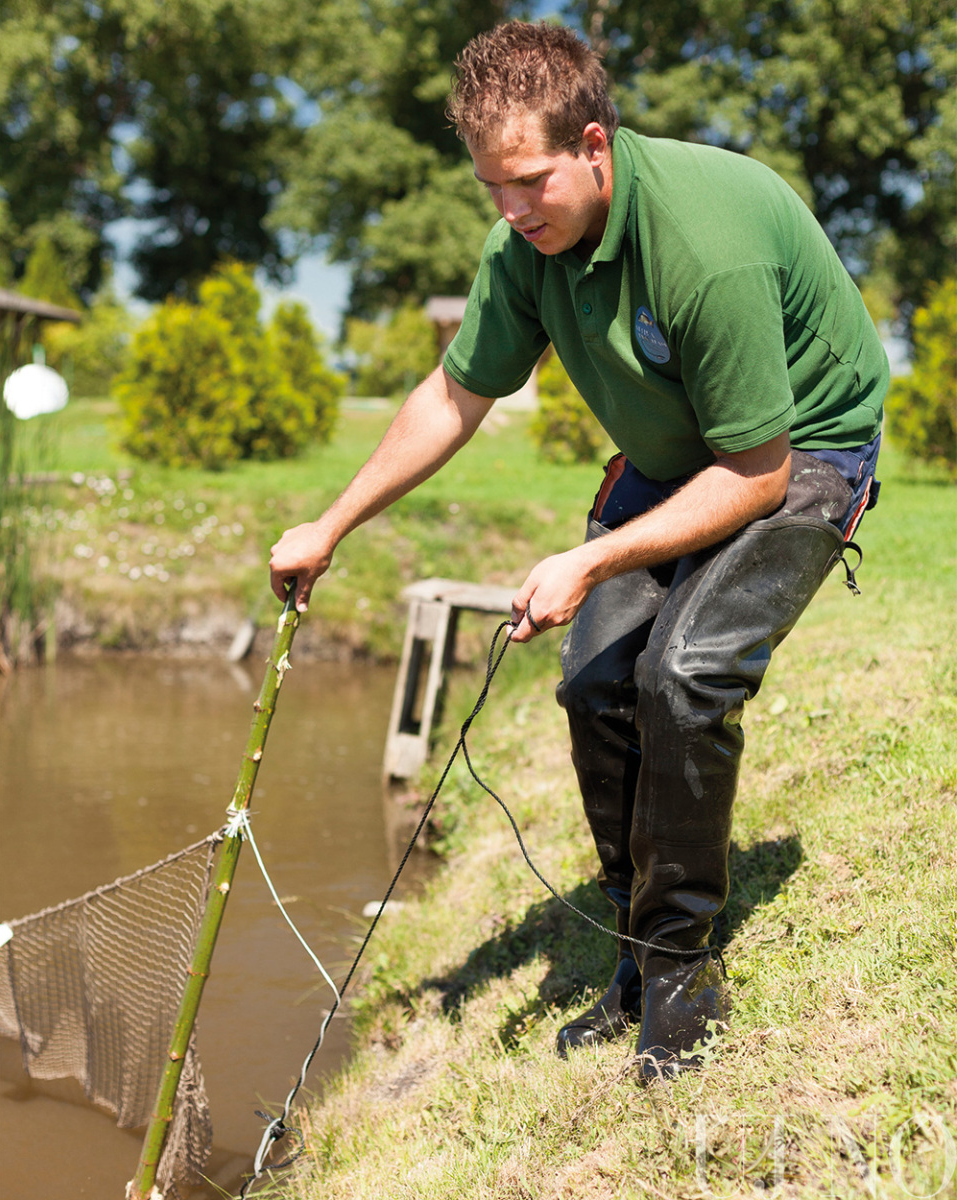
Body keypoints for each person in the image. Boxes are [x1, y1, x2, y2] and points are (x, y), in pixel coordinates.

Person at [270, 21, 887, 1081]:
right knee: (596, 687)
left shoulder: (704, 241)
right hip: (672, 452)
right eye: (490, 188)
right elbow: (456, 394)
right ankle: (638, 957)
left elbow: (757, 475)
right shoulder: (526, 247)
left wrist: (590, 561)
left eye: (528, 182)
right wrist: (332, 524)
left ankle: (685, 970)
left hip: (800, 449)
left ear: (594, 145)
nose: (510, 210)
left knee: (684, 676)